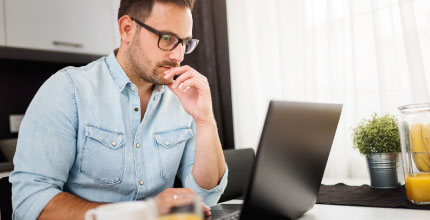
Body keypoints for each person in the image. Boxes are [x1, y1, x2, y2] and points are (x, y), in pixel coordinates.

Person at [9, 0, 228, 219]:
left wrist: (205, 119)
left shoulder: (182, 99)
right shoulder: (68, 90)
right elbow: (30, 201)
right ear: (127, 29)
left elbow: (205, 197)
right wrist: (141, 213)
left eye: (184, 42)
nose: (178, 56)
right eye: (168, 39)